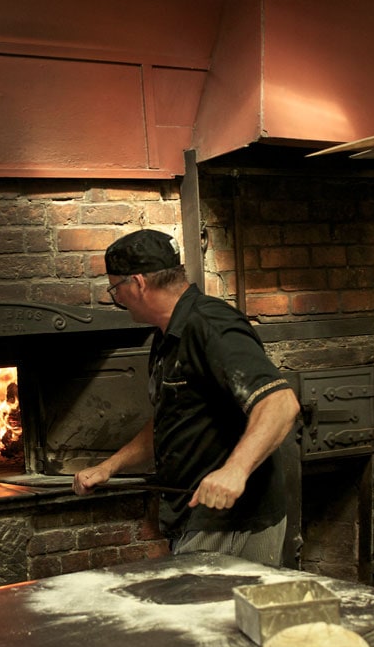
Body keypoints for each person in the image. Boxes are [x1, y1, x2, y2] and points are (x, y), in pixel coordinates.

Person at [72, 228, 301, 567]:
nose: (117, 299)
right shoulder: (167, 336)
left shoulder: (211, 325)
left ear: (137, 283)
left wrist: (234, 471)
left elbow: (280, 403)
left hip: (232, 522)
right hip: (198, 517)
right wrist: (110, 467)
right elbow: (174, 419)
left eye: (116, 289)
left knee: (219, 618)